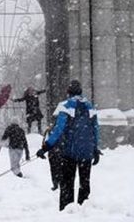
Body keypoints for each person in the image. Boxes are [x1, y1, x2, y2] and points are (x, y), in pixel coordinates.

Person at [37, 79, 101, 211]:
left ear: (68, 92)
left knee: (67, 183)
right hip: (87, 152)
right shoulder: (90, 107)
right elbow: (95, 129)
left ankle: (67, 211)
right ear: (81, 92)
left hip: (70, 152)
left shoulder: (66, 106)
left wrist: (46, 147)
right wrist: (95, 148)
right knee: (85, 182)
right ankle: (84, 210)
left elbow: (58, 130)